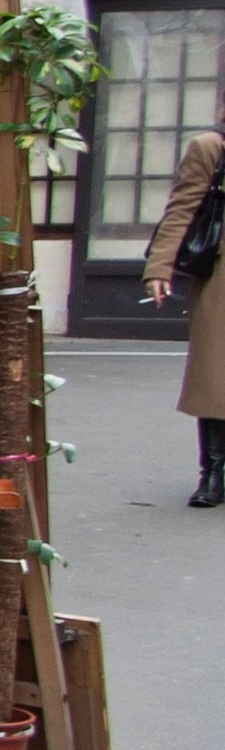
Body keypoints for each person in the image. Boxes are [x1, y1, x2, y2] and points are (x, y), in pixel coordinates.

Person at [142, 110, 225, 506]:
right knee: (217, 379)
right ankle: (213, 473)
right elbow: (182, 209)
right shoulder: (211, 146)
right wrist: (159, 267)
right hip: (222, 280)